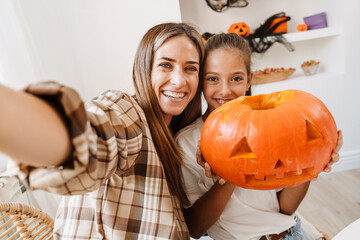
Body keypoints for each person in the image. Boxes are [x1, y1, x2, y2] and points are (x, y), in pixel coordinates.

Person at [0, 22, 205, 239]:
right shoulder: (127, 112)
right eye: (166, 65)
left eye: (190, 68)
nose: (179, 80)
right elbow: (91, 137)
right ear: (145, 69)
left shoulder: (177, 140)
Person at [175, 33, 343, 240]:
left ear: (249, 80)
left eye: (236, 78)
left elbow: (285, 209)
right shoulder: (187, 142)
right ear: (201, 82)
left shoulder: (270, 130)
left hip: (291, 234)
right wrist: (228, 175)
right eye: (212, 78)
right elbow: (195, 229)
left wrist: (309, 167)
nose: (225, 90)